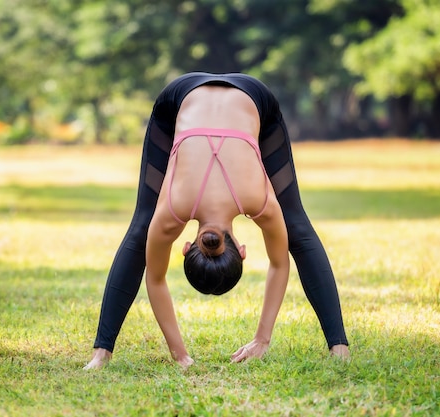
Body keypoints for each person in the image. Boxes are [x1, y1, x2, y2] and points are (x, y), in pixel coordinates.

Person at [85, 72, 349, 369]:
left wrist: (182, 355)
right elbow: (157, 280)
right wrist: (259, 339)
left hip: (249, 96)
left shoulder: (258, 202)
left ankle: (101, 354)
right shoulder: (174, 209)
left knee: (141, 231)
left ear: (242, 249)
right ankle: (339, 349)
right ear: (186, 248)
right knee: (296, 227)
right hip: (188, 94)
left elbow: (156, 278)